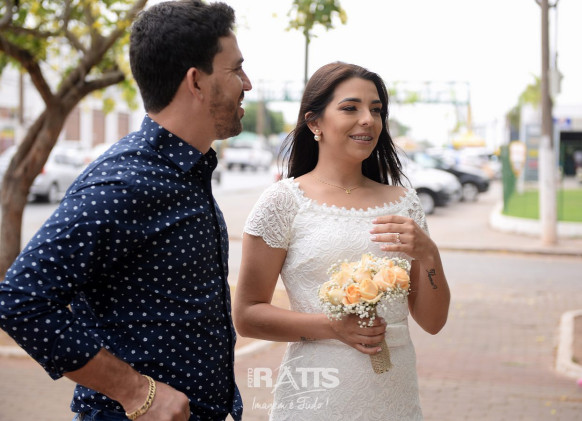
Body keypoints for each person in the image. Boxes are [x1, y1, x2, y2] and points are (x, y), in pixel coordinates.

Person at [0, 1, 251, 420]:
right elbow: (21, 299)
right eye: (236, 69)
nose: (248, 83)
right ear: (196, 81)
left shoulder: (187, 171)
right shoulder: (126, 183)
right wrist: (136, 392)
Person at [233, 62, 450, 420]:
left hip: (394, 398)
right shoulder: (283, 202)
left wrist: (429, 254)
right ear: (314, 122)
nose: (368, 120)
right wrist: (333, 327)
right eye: (351, 108)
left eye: (376, 110)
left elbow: (433, 321)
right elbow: (247, 316)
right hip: (316, 397)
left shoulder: (405, 203)